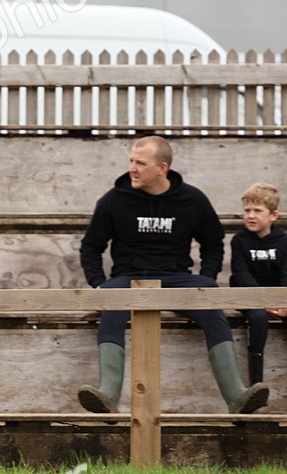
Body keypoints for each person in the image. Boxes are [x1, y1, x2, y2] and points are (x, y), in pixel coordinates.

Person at [78, 135, 270, 414]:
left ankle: (237, 396)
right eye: (131, 160)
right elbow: (91, 247)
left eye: (140, 163)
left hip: (177, 278)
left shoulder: (192, 199)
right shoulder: (114, 200)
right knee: (111, 305)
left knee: (212, 302)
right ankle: (108, 395)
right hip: (129, 278)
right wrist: (98, 285)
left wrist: (207, 275)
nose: (132, 167)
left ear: (162, 168)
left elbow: (213, 242)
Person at [230, 182, 287, 385]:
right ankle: (256, 383)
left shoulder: (283, 240)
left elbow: (285, 274)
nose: (251, 215)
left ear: (273, 215)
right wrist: (264, 301)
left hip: (277, 295)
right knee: (258, 317)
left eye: (257, 210)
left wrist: (282, 302)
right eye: (247, 210)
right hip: (248, 294)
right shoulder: (240, 239)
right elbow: (241, 273)